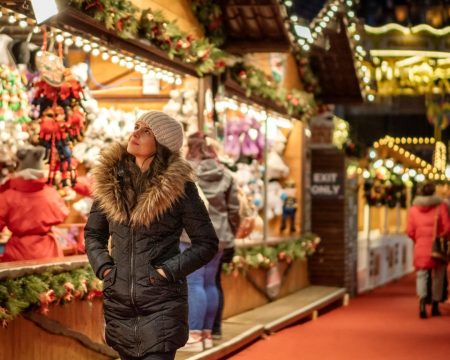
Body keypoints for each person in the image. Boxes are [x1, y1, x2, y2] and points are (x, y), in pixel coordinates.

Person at [84, 111, 219, 360]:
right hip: (120, 306)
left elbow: (206, 243)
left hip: (162, 305)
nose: (135, 133)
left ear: (162, 144)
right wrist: (104, 268)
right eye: (136, 126)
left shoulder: (179, 188)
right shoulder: (110, 183)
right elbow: (93, 233)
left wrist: (166, 272)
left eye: (146, 131)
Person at [180, 132, 240, 350]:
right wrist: (230, 232)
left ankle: (194, 336)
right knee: (209, 282)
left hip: (191, 235)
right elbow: (234, 210)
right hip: (220, 236)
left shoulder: (184, 171)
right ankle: (206, 333)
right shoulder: (226, 174)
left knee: (194, 283)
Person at [0, 145, 68, 261]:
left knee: (17, 279)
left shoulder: (7, 196)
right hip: (48, 252)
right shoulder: (51, 194)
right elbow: (63, 215)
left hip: (17, 253)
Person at [407, 181, 450, 319]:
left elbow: (410, 231)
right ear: (433, 192)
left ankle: (422, 304)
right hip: (436, 246)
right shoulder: (440, 206)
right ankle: (436, 305)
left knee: (422, 275)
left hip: (420, 246)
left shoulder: (413, 209)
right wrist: (441, 237)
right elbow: (447, 226)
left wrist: (418, 240)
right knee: (438, 275)